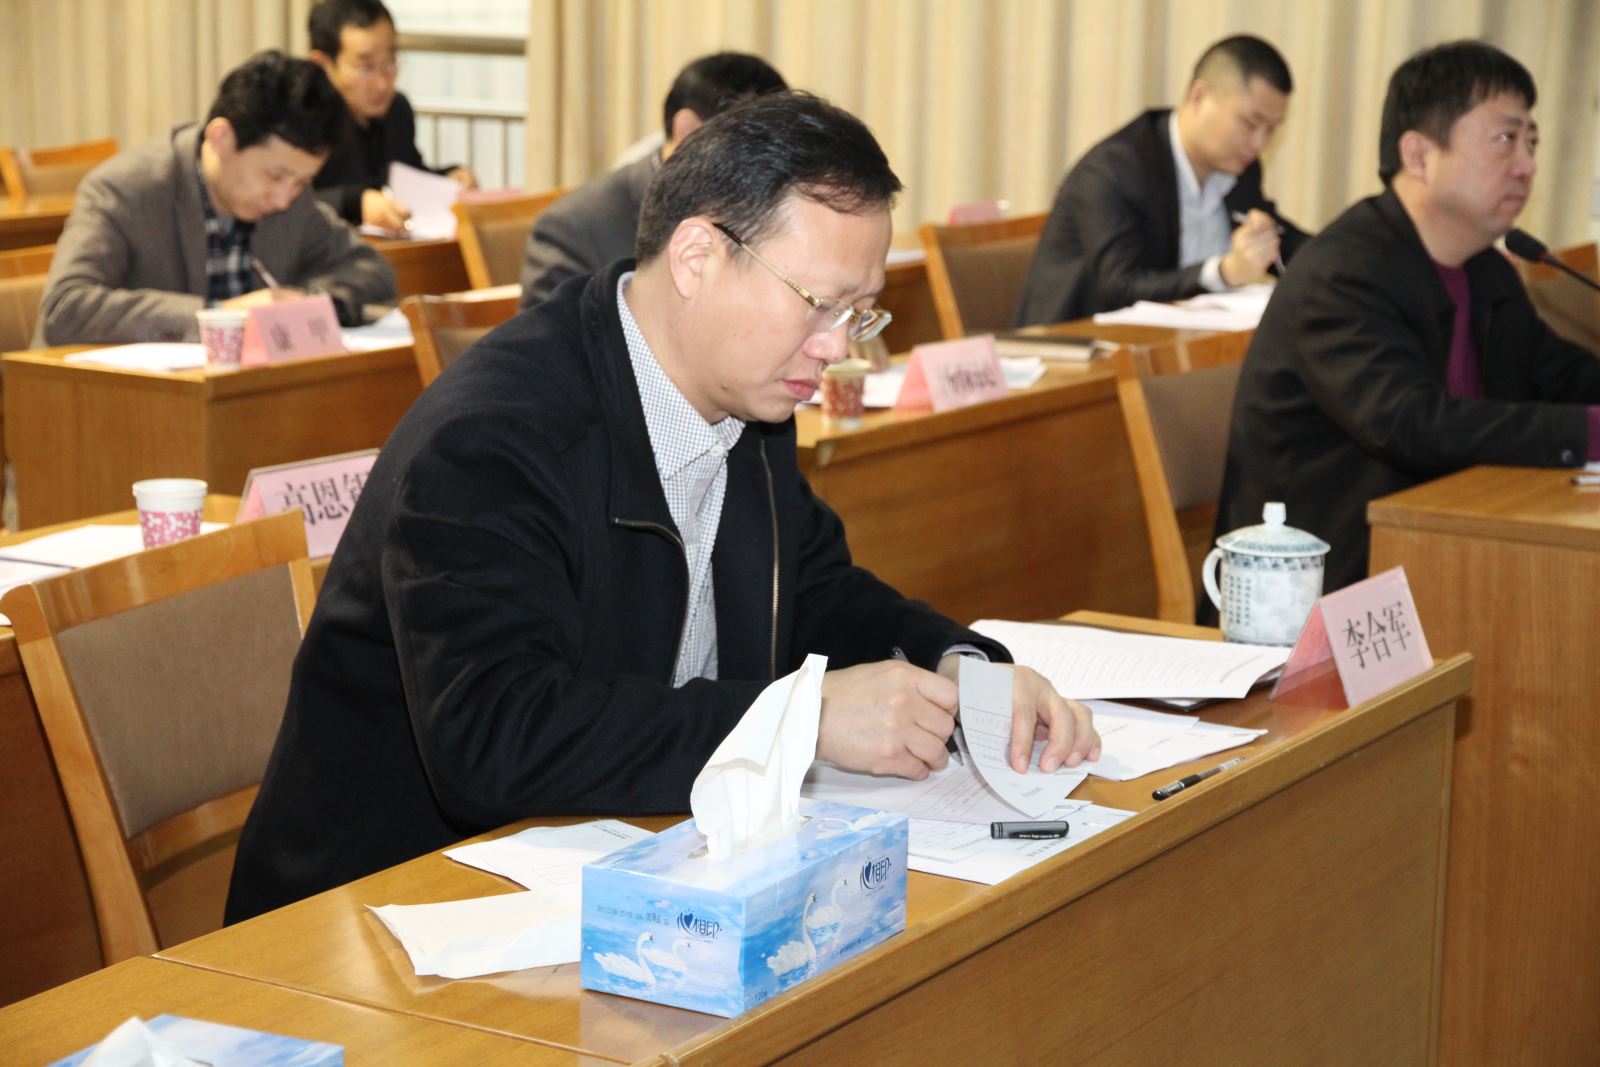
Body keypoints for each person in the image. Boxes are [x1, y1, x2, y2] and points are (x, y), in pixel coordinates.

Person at [226, 92, 1099, 922]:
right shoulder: (494, 437)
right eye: (818, 304)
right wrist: (798, 722)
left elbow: (814, 590)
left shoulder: (750, 392)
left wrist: (958, 665)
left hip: (613, 860)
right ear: (695, 257)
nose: (835, 347)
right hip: (381, 912)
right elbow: (496, 739)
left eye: (860, 313)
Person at [1215, 40, 1600, 595]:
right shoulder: (1343, 276)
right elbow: (1413, 423)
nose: (1527, 166)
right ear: (1419, 155)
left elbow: (1555, 373)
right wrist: (1590, 432)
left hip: (1439, 555)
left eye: (1531, 143)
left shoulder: (1484, 268)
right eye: (1505, 139)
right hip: (1322, 591)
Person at [35, 51, 394, 346]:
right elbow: (64, 308)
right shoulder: (126, 190)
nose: (283, 199)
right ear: (221, 137)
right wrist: (220, 316)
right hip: (115, 401)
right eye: (275, 176)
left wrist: (309, 302)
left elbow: (372, 269)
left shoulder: (292, 200)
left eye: (302, 182)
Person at [1014, 35, 1309, 327]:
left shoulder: (1242, 167)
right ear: (1199, 96)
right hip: (1073, 343)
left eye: (1271, 129)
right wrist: (1223, 273)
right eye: (1250, 123)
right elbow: (1120, 286)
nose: (1259, 143)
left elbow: (1276, 236)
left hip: (1184, 341)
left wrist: (1326, 257)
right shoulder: (1116, 169)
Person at [518, 52, 787, 308]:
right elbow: (552, 339)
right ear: (688, 131)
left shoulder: (772, 208)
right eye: (751, 151)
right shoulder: (574, 229)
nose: (766, 172)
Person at [308, 0, 475, 230]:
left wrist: (449, 178)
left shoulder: (397, 109)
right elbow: (281, 203)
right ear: (322, 64)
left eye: (389, 62)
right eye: (365, 68)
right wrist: (355, 204)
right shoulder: (303, 121)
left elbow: (408, 176)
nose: (382, 84)